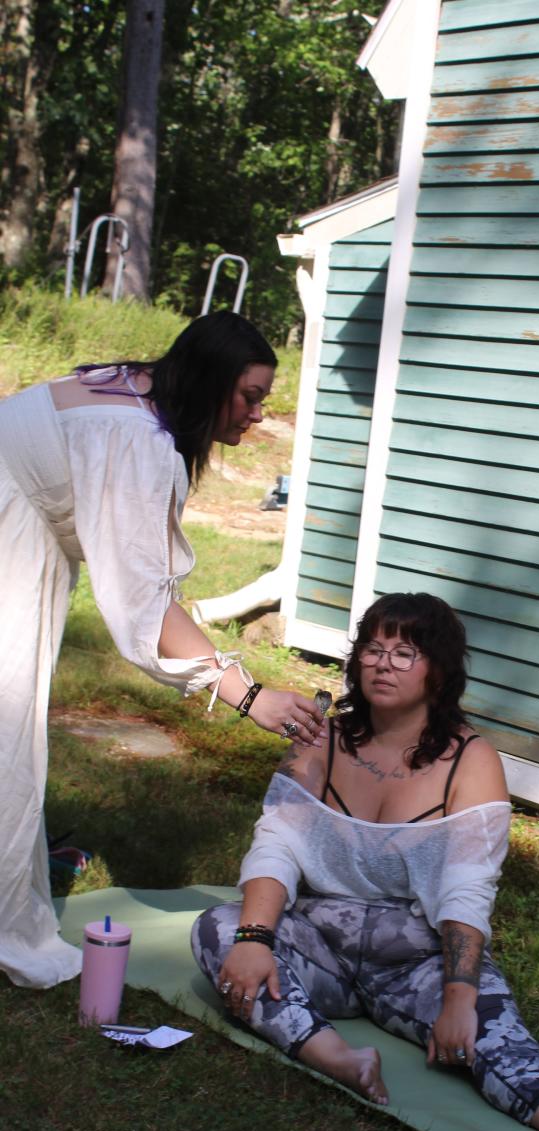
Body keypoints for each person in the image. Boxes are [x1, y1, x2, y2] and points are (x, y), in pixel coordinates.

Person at [191, 592, 539, 1131]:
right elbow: (277, 845)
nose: (383, 664)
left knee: (486, 1012)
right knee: (218, 929)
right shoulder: (322, 739)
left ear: (440, 670)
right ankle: (336, 1057)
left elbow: (468, 887)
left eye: (405, 652)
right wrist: (255, 941)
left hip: (410, 960)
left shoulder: (471, 759)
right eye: (373, 650)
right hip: (319, 945)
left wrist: (458, 996)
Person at [0, 311, 329, 989]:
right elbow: (146, 610)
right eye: (250, 397)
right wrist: (251, 696)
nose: (260, 414)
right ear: (209, 383)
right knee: (7, 730)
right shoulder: (138, 443)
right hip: (10, 525)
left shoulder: (143, 392)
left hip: (18, 518)